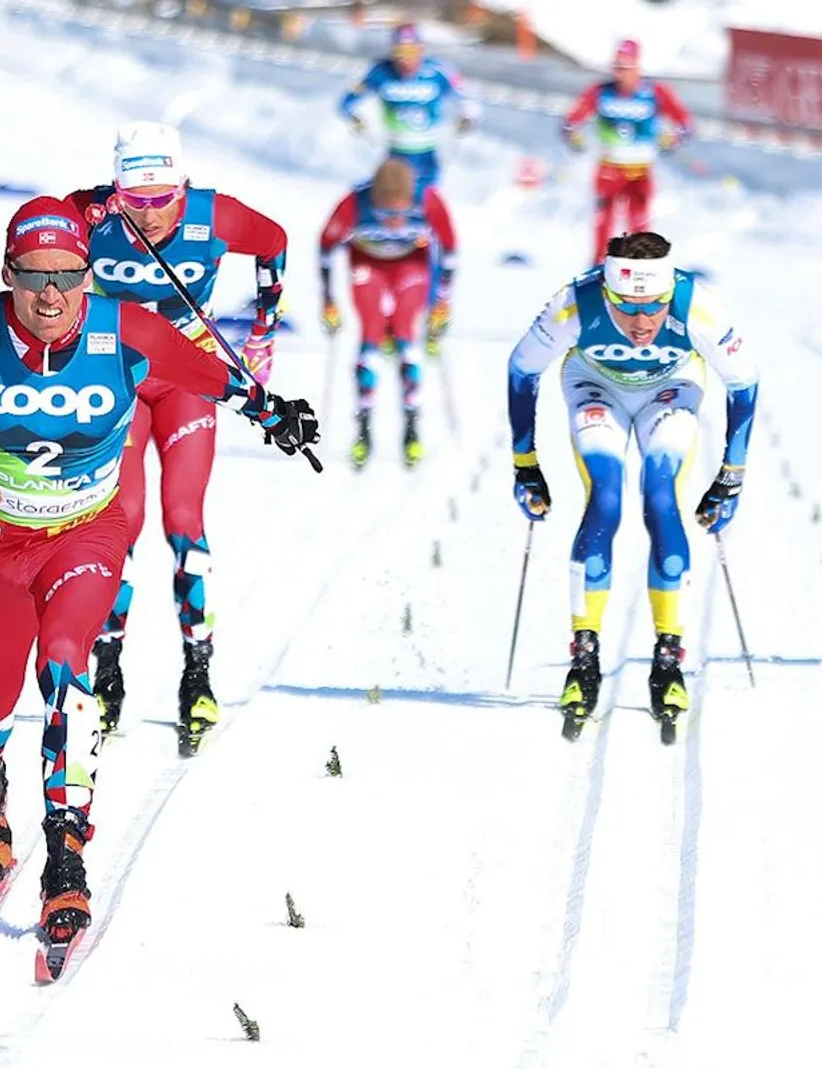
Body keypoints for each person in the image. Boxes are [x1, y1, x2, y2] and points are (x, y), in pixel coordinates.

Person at [0, 197, 318, 967]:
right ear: (6, 274)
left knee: (65, 670)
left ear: (87, 276)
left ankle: (67, 859)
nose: (51, 297)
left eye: (67, 277)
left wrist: (274, 412)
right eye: (33, 278)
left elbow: (212, 375)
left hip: (87, 535)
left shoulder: (127, 332)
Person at [60, 121, 289, 756]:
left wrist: (263, 331)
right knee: (119, 524)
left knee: (185, 521)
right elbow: (37, 242)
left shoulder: (212, 214)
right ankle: (108, 674)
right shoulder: (91, 214)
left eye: (164, 199)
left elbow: (274, 241)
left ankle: (199, 673)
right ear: (116, 191)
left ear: (183, 186)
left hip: (190, 378)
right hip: (119, 382)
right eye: (136, 201)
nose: (153, 214)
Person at [504, 231, 758, 737]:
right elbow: (521, 369)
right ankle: (584, 657)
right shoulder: (575, 302)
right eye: (626, 309)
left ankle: (668, 659)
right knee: (607, 497)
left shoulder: (698, 306)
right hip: (595, 386)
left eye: (654, 308)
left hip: (671, 388)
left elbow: (744, 383)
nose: (642, 323)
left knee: (661, 496)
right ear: (608, 291)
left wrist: (731, 475)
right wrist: (525, 462)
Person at [318, 157, 457, 469]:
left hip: (410, 264)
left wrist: (442, 303)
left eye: (400, 213)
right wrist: (328, 300)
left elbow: (449, 249)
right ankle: (363, 430)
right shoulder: (355, 202)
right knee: (371, 334)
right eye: (384, 213)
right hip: (367, 263)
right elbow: (326, 247)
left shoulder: (428, 198)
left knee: (406, 333)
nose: (394, 221)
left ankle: (411, 429)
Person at [560, 39, 694, 264]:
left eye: (626, 67)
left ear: (637, 66)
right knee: (604, 218)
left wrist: (673, 139)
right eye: (617, 67)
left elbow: (685, 123)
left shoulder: (654, 92)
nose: (620, 73)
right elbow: (571, 121)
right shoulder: (601, 91)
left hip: (640, 168)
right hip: (610, 165)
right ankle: (600, 264)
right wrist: (573, 135)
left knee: (639, 220)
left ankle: (641, 264)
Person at [340, 22, 478, 187]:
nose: (406, 59)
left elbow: (466, 98)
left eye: (411, 51)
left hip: (429, 150)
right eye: (400, 52)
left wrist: (468, 116)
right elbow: (348, 102)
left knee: (427, 197)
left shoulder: (437, 71)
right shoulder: (380, 71)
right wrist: (355, 119)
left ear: (421, 50)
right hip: (396, 149)